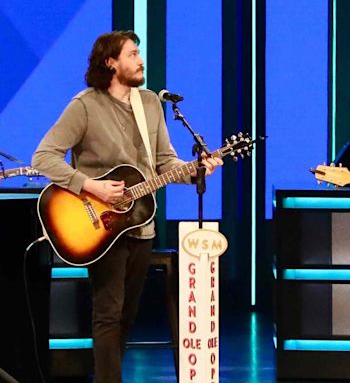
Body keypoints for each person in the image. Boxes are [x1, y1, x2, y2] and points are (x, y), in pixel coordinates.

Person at [32, 30, 223, 382]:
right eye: (133, 54)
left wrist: (197, 169)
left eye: (139, 53)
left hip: (139, 224)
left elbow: (164, 163)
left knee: (126, 317)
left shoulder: (150, 102)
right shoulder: (85, 105)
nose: (141, 60)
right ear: (111, 62)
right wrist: (92, 186)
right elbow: (44, 157)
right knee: (108, 313)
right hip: (97, 224)